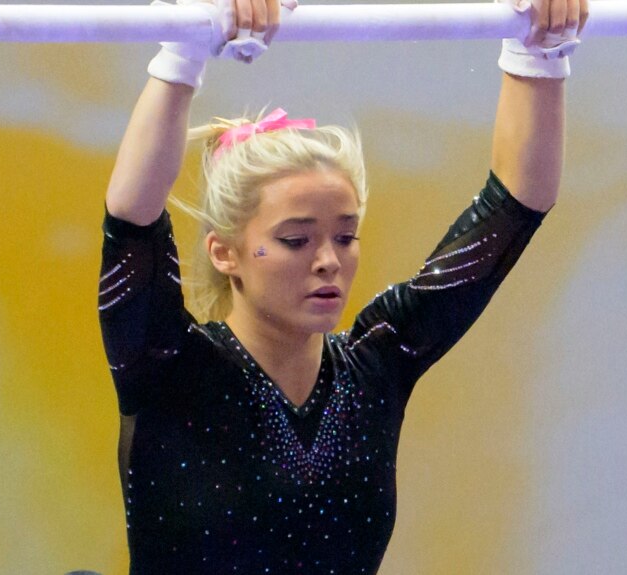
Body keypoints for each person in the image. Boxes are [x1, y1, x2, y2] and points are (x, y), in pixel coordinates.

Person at [98, 0, 588, 571]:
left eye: (346, 236)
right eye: (296, 240)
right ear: (225, 252)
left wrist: (539, 51)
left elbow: (515, 206)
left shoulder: (377, 363)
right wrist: (182, 53)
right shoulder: (166, 365)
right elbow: (132, 221)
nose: (329, 261)